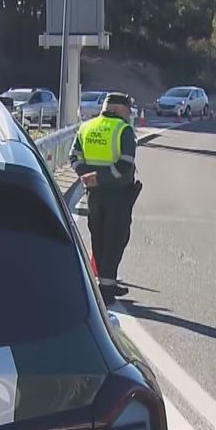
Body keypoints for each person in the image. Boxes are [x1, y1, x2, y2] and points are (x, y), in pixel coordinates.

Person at [70, 93, 141, 301]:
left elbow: (73, 156)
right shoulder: (123, 130)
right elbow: (125, 164)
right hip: (117, 195)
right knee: (116, 238)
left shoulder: (86, 127)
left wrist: (86, 176)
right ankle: (107, 288)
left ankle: (106, 282)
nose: (130, 113)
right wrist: (99, 178)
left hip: (93, 194)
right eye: (128, 109)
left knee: (98, 236)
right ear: (118, 109)